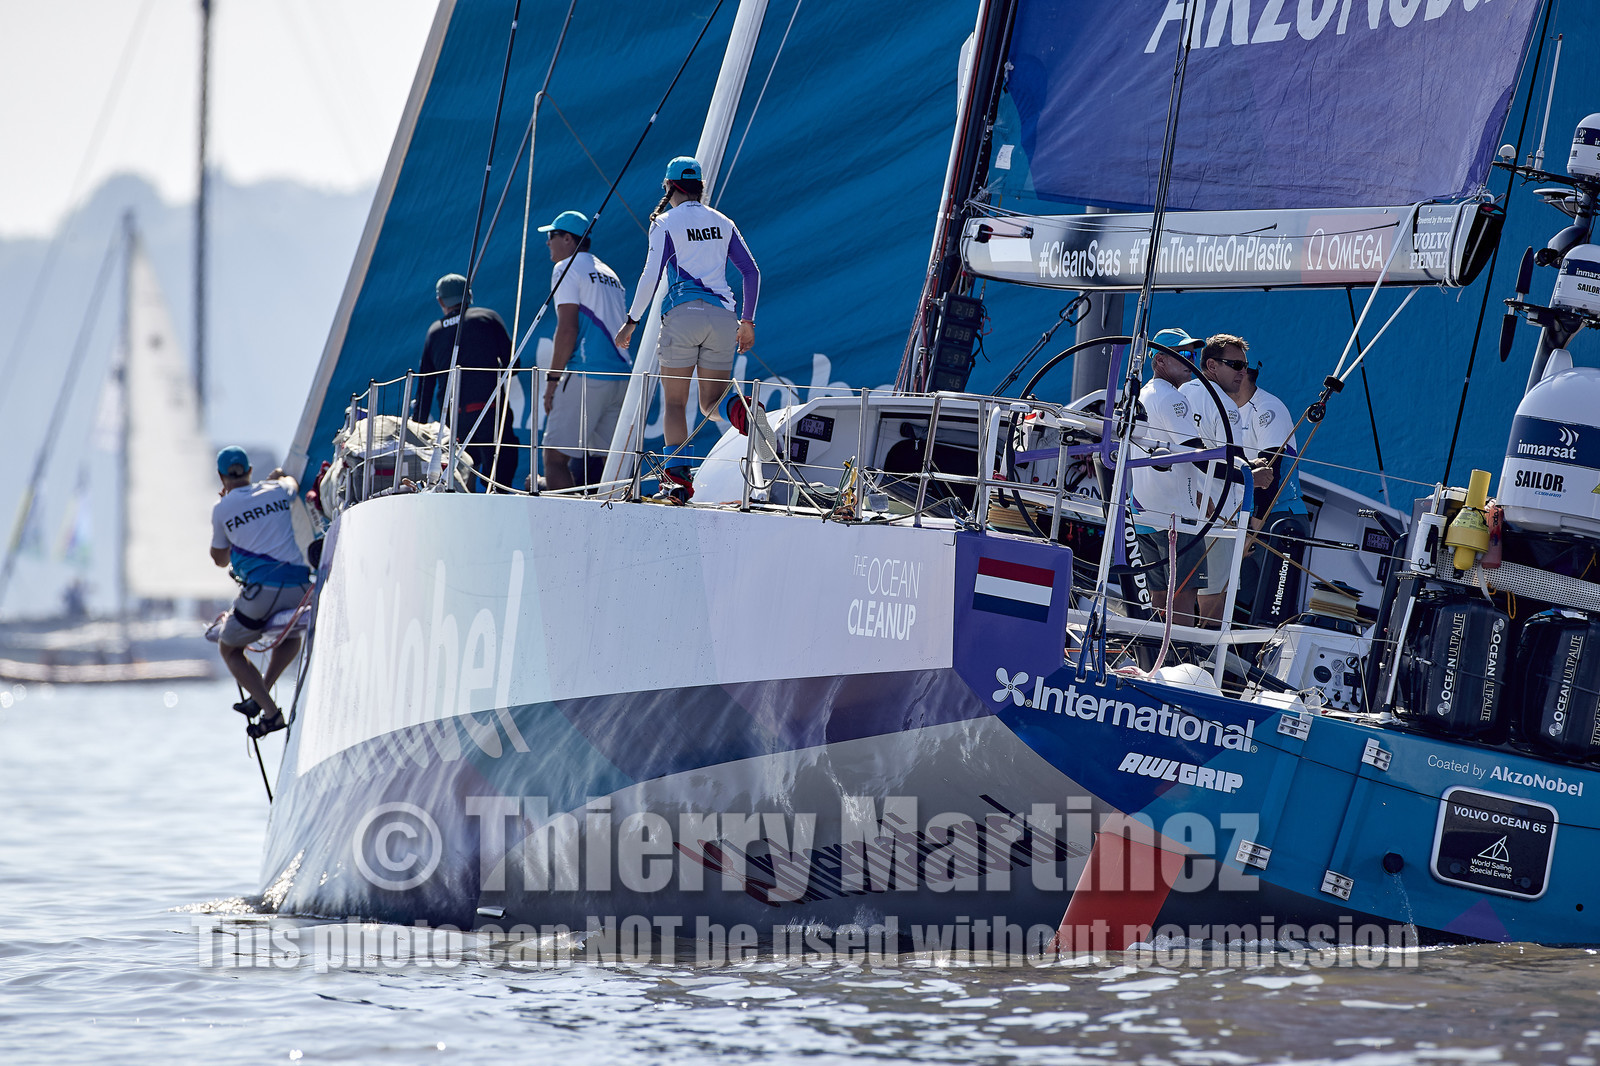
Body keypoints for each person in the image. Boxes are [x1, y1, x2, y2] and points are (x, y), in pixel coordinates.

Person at [616, 156, 760, 503]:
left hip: (682, 316)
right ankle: (741, 411)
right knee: (712, 402)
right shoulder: (723, 221)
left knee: (675, 403)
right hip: (724, 318)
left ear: (669, 187)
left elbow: (651, 276)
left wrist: (632, 321)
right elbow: (751, 272)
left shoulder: (665, 222)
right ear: (700, 187)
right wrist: (747, 322)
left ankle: (678, 484)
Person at [209, 446, 312, 738]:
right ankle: (261, 695)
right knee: (290, 636)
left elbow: (220, 560)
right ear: (250, 471)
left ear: (221, 477)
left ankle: (270, 712)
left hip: (261, 594)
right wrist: (276, 477)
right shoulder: (277, 490)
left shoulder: (222, 508)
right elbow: (291, 483)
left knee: (229, 648)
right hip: (299, 589)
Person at [537, 210, 631, 491]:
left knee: (554, 459)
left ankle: (563, 520)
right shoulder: (610, 273)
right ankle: (615, 516)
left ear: (568, 238)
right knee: (611, 464)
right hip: (621, 376)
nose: (548, 242)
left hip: (587, 375)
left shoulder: (565, 267)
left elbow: (567, 330)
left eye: (552, 235)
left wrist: (552, 381)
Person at [1178, 334, 1265, 626]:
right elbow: (1232, 463)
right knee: (1215, 609)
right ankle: (1202, 656)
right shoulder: (1226, 406)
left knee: (1175, 598)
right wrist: (1254, 474)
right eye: (1236, 365)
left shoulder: (1180, 393)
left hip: (1179, 510)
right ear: (1212, 365)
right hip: (1218, 517)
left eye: (1246, 367)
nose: (1243, 373)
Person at [415, 273, 519, 492]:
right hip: (490, 410)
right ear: (469, 296)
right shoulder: (487, 317)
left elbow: (425, 386)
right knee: (500, 481)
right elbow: (514, 365)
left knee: (461, 478)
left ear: (441, 301)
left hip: (455, 421)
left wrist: (417, 429)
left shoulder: (434, 332)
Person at [1131, 329, 1208, 625]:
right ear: (1160, 360)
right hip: (1176, 516)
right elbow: (1197, 453)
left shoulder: (1142, 395)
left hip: (1145, 513)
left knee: (1159, 596)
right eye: (1183, 354)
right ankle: (1182, 653)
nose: (1190, 361)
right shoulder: (1172, 398)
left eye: (1193, 355)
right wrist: (1246, 472)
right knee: (1183, 597)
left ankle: (1158, 653)